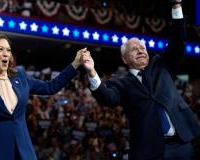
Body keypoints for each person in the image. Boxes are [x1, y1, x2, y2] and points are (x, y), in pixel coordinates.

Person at [81, 1, 200, 160]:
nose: (141, 50)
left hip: (183, 143)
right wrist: (92, 72)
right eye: (134, 49)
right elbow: (107, 98)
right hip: (150, 150)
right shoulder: (120, 83)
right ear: (124, 59)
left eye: (143, 48)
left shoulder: (161, 65)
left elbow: (178, 42)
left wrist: (176, 6)